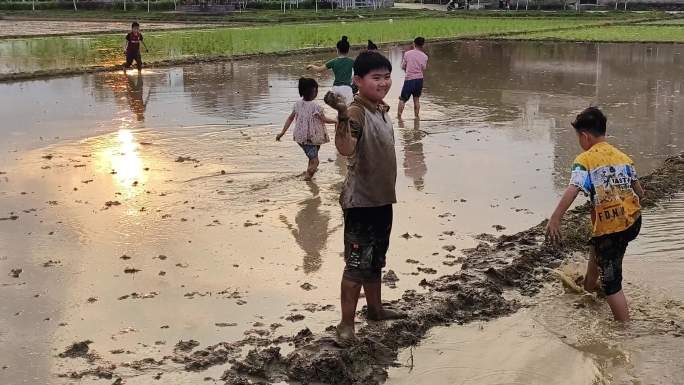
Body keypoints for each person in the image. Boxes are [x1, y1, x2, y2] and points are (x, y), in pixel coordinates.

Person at [323, 51, 406, 344]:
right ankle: (346, 324)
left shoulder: (380, 109)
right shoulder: (357, 111)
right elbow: (346, 148)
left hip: (382, 200)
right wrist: (342, 114)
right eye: (376, 78)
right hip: (361, 203)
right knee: (357, 265)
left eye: (387, 77)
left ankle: (375, 310)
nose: (383, 83)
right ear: (358, 81)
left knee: (375, 261)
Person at [546, 107, 644, 322]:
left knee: (611, 284)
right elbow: (639, 191)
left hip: (613, 227)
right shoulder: (623, 157)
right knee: (598, 243)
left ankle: (625, 330)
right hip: (633, 221)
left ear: (585, 136)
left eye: (578, 138)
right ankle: (589, 288)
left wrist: (556, 217)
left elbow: (574, 188)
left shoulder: (585, 159)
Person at [276, 78, 336, 181]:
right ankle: (307, 178)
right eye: (317, 90)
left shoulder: (297, 104)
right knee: (316, 161)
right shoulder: (316, 107)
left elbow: (290, 118)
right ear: (314, 91)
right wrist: (336, 121)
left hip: (302, 138)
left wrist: (282, 132)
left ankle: (309, 171)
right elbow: (324, 120)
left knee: (312, 158)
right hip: (311, 139)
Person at [307, 36, 354, 105]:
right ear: (348, 50)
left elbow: (319, 69)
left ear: (337, 49)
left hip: (335, 89)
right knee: (348, 109)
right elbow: (359, 71)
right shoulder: (351, 62)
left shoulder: (333, 62)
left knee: (339, 110)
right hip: (347, 88)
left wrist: (311, 65)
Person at [398, 37, 428, 119]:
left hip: (409, 79)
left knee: (402, 99)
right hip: (419, 80)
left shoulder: (407, 54)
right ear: (423, 45)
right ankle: (417, 117)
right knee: (416, 99)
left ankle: (399, 118)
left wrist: (407, 71)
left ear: (414, 44)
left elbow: (403, 66)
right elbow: (423, 68)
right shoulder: (425, 56)